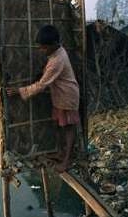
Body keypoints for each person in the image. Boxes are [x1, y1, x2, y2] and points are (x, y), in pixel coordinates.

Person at [6, 25, 80, 173]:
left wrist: (20, 91)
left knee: (69, 129)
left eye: (44, 48)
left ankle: (66, 160)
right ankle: (62, 153)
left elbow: (42, 85)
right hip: (60, 96)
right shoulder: (58, 52)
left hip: (67, 97)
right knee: (61, 126)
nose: (42, 50)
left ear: (53, 44)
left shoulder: (57, 61)